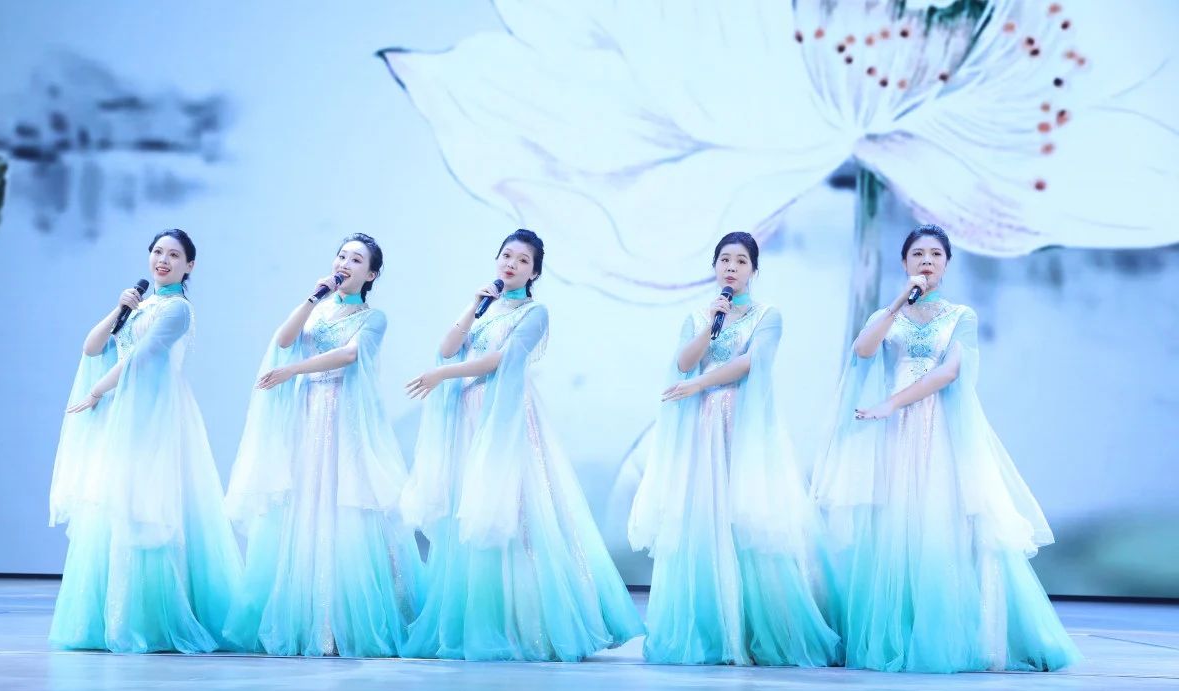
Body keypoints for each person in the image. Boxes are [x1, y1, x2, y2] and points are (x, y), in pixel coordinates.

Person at [811, 224, 1080, 673]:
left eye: (936, 254)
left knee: (941, 522)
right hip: (893, 434)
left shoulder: (960, 316)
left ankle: (955, 634)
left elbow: (949, 372)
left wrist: (892, 402)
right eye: (918, 253)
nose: (927, 261)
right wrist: (897, 303)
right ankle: (898, 631)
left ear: (947, 263)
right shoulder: (888, 314)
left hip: (940, 431)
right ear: (904, 262)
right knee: (896, 525)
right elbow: (863, 350)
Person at [401, 229, 644, 661]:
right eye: (506, 256)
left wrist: (442, 375)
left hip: (507, 421)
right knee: (469, 512)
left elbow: (501, 360)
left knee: (513, 512)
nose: (511, 264)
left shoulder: (535, 313)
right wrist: (472, 308)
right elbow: (447, 348)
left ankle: (528, 625)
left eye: (522, 260)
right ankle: (477, 619)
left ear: (534, 272)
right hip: (467, 417)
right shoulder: (484, 307)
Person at [629, 232, 841, 666]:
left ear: (754, 270)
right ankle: (710, 628)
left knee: (745, 517)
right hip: (702, 429)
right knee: (704, 517)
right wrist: (710, 325)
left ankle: (755, 627)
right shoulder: (699, 316)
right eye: (725, 259)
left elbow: (751, 363)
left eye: (741, 261)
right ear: (714, 266)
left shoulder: (768, 315)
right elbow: (683, 363)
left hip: (744, 426)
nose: (731, 267)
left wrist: (701, 384)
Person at [224, 233, 422, 657]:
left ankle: (341, 624)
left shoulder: (374, 318)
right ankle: (306, 620)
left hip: (344, 419)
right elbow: (283, 341)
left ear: (372, 274)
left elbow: (349, 356)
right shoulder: (316, 310)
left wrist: (294, 370)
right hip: (307, 418)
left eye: (357, 260)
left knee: (344, 506)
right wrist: (312, 298)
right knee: (305, 506)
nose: (345, 264)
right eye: (342, 256)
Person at [49, 228, 241, 653]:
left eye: (174, 255)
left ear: (189, 266)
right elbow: (92, 347)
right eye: (157, 252)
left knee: (147, 506)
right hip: (121, 410)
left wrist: (96, 392)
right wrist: (119, 308)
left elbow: (142, 356)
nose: (163, 260)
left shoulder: (178, 309)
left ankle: (150, 620)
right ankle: (106, 618)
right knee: (114, 504)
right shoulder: (140, 305)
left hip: (153, 415)